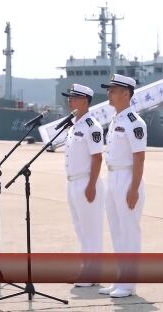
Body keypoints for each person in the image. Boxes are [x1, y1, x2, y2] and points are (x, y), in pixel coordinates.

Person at [98, 74, 147, 298]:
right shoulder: (117, 120)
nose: (109, 93)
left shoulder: (134, 122)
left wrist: (134, 189)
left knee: (129, 232)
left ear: (126, 93)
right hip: (112, 178)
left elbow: (139, 158)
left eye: (113, 90)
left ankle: (128, 284)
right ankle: (120, 279)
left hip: (128, 179)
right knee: (117, 231)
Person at [61, 83, 105, 287]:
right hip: (72, 183)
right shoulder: (73, 125)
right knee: (80, 229)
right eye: (70, 97)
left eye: (75, 98)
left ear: (86, 101)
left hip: (86, 182)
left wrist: (92, 185)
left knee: (91, 230)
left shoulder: (92, 127)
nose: (70, 101)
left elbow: (97, 158)